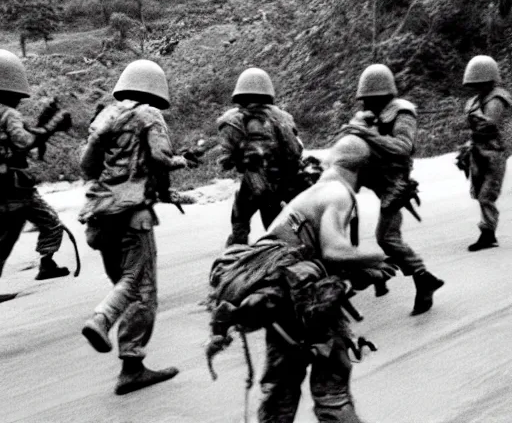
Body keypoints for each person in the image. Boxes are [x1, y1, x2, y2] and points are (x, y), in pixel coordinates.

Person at [208, 133, 397, 423]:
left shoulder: (313, 194)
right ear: (362, 169)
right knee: (332, 387)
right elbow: (334, 249)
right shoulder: (338, 193)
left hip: (281, 296)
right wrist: (377, 256)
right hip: (298, 294)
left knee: (281, 387)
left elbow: (318, 253)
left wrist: (361, 271)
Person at [79, 59, 199, 395]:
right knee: (139, 286)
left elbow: (86, 165)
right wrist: (183, 161)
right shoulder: (150, 115)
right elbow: (161, 159)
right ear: (154, 88)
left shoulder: (105, 116)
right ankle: (104, 324)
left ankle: (130, 365)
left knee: (125, 283)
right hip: (132, 216)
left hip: (98, 215)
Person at [346, 64, 444, 316]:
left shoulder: (403, 113)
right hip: (368, 175)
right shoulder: (366, 115)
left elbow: (402, 147)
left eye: (373, 99)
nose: (369, 104)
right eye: (366, 100)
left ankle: (423, 278)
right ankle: (370, 270)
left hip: (395, 182)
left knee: (386, 237)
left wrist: (368, 136)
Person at [0, 49, 71, 283]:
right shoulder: (9, 114)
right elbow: (25, 142)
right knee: (48, 222)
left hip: (7, 186)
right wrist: (51, 128)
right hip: (16, 188)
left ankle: (47, 264)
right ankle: (46, 262)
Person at [217, 67, 303, 246]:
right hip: (286, 179)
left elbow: (225, 160)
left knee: (240, 215)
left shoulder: (232, 120)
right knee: (277, 221)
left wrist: (240, 158)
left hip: (255, 180)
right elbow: (296, 150)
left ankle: (236, 253)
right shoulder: (283, 117)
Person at [460, 55, 512, 251]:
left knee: (486, 195)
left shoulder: (497, 98)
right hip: (479, 152)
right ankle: (487, 232)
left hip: (493, 152)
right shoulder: (477, 100)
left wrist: (473, 124)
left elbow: (488, 126)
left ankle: (488, 234)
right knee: (479, 193)